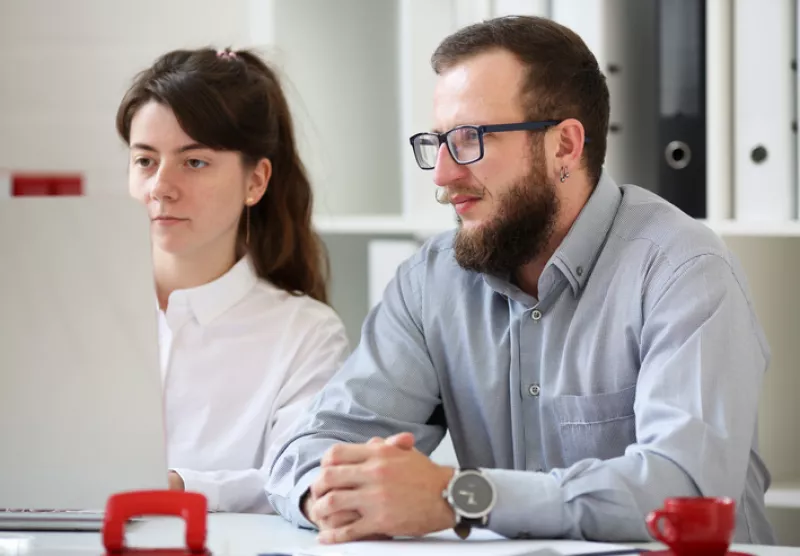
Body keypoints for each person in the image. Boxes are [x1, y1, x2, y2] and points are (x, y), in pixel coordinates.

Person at [266, 16, 776, 544]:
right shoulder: (430, 281)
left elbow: (684, 490)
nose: (442, 174)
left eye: (470, 139)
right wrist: (329, 496)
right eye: (437, 142)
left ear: (564, 146)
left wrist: (461, 497)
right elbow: (314, 446)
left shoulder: (683, 269)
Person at [116, 47, 350, 513]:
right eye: (145, 160)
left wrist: (176, 488)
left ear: (255, 182)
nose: (161, 185)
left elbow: (300, 480)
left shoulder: (307, 334)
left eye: (194, 162)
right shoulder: (70, 310)